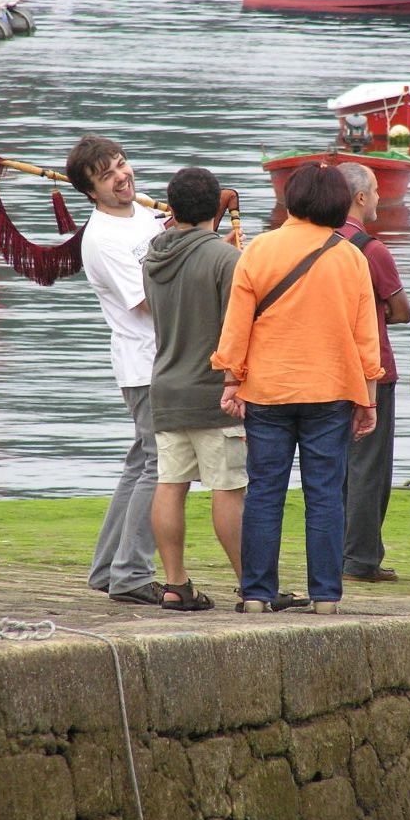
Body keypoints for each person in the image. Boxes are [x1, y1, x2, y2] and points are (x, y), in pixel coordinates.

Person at [212, 164, 383, 614]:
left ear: (292, 199)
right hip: (331, 389)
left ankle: (256, 593)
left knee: (264, 490)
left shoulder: (259, 250)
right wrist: (368, 396)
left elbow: (236, 325)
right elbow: (366, 336)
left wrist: (232, 379)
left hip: (268, 388)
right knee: (325, 493)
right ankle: (325, 594)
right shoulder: (351, 257)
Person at [65, 135, 164, 606]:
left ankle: (108, 567)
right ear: (91, 192)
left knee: (141, 463)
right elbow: (147, 303)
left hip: (163, 357)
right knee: (161, 464)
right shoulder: (102, 239)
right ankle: (130, 572)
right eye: (108, 176)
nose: (122, 177)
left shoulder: (144, 214)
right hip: (146, 362)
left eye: (122, 165)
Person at [142, 168, 245, 611]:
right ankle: (251, 582)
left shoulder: (153, 256)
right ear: (216, 207)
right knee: (228, 488)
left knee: (170, 484)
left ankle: (174, 582)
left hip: (165, 385)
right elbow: (237, 328)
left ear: (173, 206)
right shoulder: (225, 259)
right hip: (211, 390)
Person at [336, 163, 410, 584]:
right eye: (377, 191)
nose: (381, 198)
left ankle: (334, 550)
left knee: (336, 466)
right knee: (370, 468)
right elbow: (401, 311)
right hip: (372, 368)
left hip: (328, 369)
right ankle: (362, 558)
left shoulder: (322, 243)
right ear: (361, 197)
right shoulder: (372, 249)